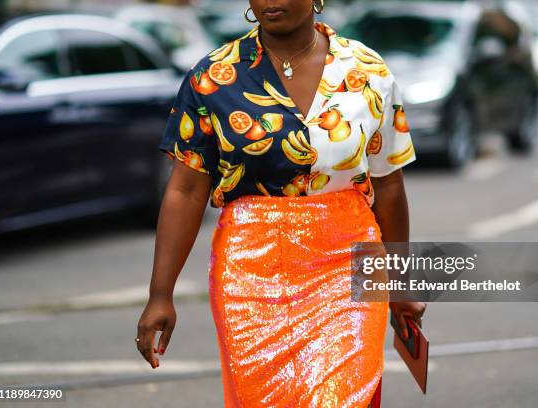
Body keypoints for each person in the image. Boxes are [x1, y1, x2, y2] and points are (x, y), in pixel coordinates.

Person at [136, 0, 426, 406]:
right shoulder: (212, 78)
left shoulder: (367, 70)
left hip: (348, 265)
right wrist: (160, 294)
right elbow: (185, 190)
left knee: (342, 397)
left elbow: (389, 185)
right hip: (250, 275)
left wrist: (398, 279)